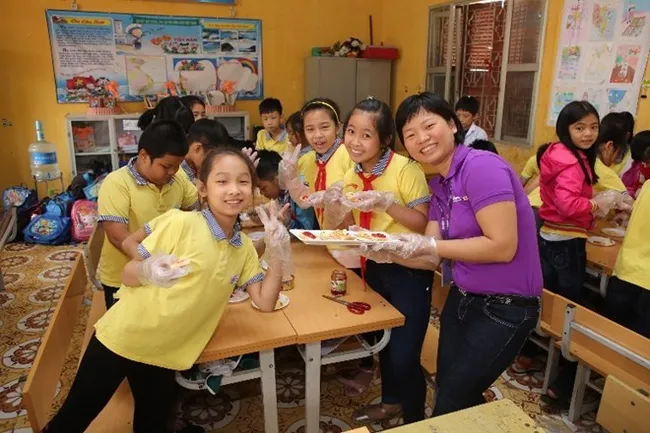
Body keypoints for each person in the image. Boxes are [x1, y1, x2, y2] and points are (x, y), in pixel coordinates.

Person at [42, 148, 291, 433]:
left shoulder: (243, 248)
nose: (234, 190)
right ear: (202, 189)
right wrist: (149, 270)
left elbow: (266, 301)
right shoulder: (180, 223)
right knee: (71, 421)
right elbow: (128, 273)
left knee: (151, 424)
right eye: (222, 181)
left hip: (165, 352)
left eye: (243, 181)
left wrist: (277, 251)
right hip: (123, 338)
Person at [362, 92, 542, 417]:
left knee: (452, 402)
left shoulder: (481, 167)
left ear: (452, 125)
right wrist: (381, 250)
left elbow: (502, 245)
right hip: (463, 299)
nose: (422, 139)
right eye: (411, 134)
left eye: (429, 126)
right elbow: (429, 257)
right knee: (452, 390)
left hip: (505, 309)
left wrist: (431, 246)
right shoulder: (441, 186)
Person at [334, 98, 431, 424]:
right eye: (350, 131)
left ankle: (417, 420)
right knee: (384, 345)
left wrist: (387, 203)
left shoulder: (406, 170)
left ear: (385, 139)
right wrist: (338, 207)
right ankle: (391, 403)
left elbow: (422, 223)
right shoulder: (351, 172)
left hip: (409, 272)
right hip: (374, 267)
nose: (355, 142)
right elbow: (352, 225)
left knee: (405, 357)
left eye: (366, 135)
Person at [97, 121, 198, 309]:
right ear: (144, 156)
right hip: (123, 279)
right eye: (166, 166)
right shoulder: (117, 183)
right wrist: (152, 268)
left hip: (167, 276)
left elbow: (196, 212)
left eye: (176, 166)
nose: (172, 172)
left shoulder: (178, 179)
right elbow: (117, 236)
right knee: (127, 333)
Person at [280, 98, 354, 229]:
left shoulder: (350, 155)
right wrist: (292, 180)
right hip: (326, 239)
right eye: (310, 129)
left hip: (352, 238)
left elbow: (358, 199)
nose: (317, 135)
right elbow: (305, 201)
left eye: (324, 127)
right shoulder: (305, 160)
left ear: (338, 127)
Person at [605, 180, 650, 338]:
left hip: (625, 271)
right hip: (646, 283)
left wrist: (628, 210)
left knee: (611, 336)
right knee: (637, 349)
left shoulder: (648, 185)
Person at [255, 149, 317, 230]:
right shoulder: (281, 195)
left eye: (263, 188)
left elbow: (308, 230)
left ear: (277, 178)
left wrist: (288, 223)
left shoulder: (298, 193)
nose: (261, 193)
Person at [180, 118, 232, 184]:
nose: (212, 162)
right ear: (197, 148)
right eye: (210, 157)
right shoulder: (177, 171)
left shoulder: (192, 165)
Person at [622, 131, 650, 197]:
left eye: (648, 163)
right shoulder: (639, 166)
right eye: (643, 162)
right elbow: (636, 186)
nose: (645, 166)